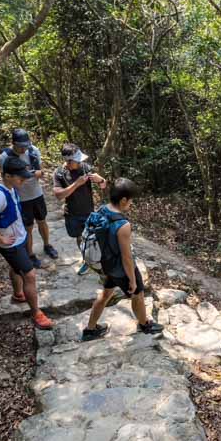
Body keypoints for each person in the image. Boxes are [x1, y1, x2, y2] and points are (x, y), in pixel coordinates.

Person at [81, 178, 163, 341]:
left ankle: (90, 330)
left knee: (105, 294)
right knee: (137, 294)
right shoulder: (123, 224)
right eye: (131, 200)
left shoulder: (103, 210)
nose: (131, 203)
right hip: (119, 268)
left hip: (105, 264)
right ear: (124, 199)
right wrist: (132, 280)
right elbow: (126, 257)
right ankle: (145, 324)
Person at [0, 155, 53, 330]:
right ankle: (36, 313)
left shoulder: (10, 187)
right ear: (7, 175)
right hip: (10, 244)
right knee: (30, 275)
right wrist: (1, 239)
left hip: (17, 239)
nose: (23, 179)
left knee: (16, 268)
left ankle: (18, 295)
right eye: (20, 177)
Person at [0, 128, 57, 267]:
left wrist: (38, 173)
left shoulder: (33, 151)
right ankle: (30, 254)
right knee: (28, 227)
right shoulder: (5, 157)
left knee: (42, 221)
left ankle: (47, 245)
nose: (24, 149)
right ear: (13, 143)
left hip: (36, 193)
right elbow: (5, 178)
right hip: (21, 197)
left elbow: (40, 171)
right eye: (21, 146)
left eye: (26, 145)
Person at [53, 143, 106, 272]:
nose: (81, 162)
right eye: (78, 160)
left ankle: (98, 260)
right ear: (69, 162)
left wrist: (101, 180)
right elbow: (59, 195)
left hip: (88, 211)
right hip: (72, 213)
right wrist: (76, 184)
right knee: (79, 237)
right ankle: (86, 259)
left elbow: (104, 187)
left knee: (93, 237)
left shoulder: (85, 168)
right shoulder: (59, 173)